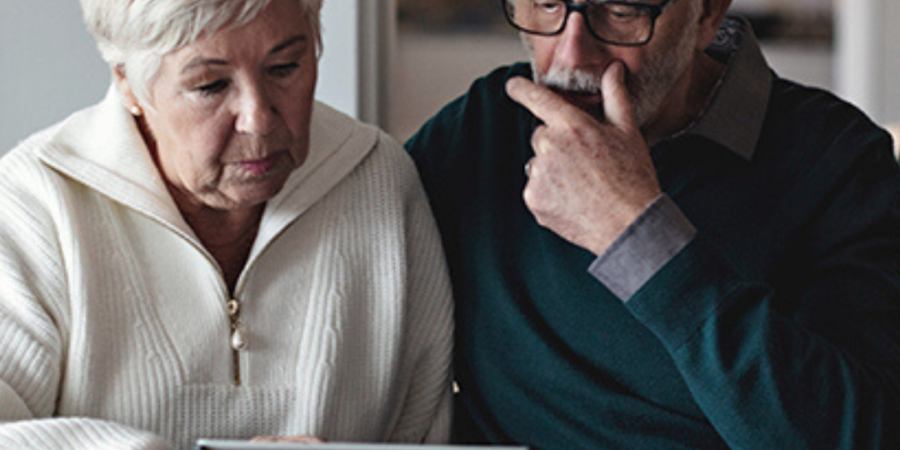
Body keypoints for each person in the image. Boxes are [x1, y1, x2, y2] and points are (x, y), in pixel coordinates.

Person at [406, 0, 900, 448]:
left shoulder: (839, 160)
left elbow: (858, 436)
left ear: (707, 15)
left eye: (621, 11)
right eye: (546, 5)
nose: (570, 57)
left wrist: (636, 233)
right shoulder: (478, 131)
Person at [0, 0, 453, 449]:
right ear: (129, 86)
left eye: (284, 67)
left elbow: (425, 435)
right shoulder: (33, 203)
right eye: (211, 85)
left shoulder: (379, 179)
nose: (257, 118)